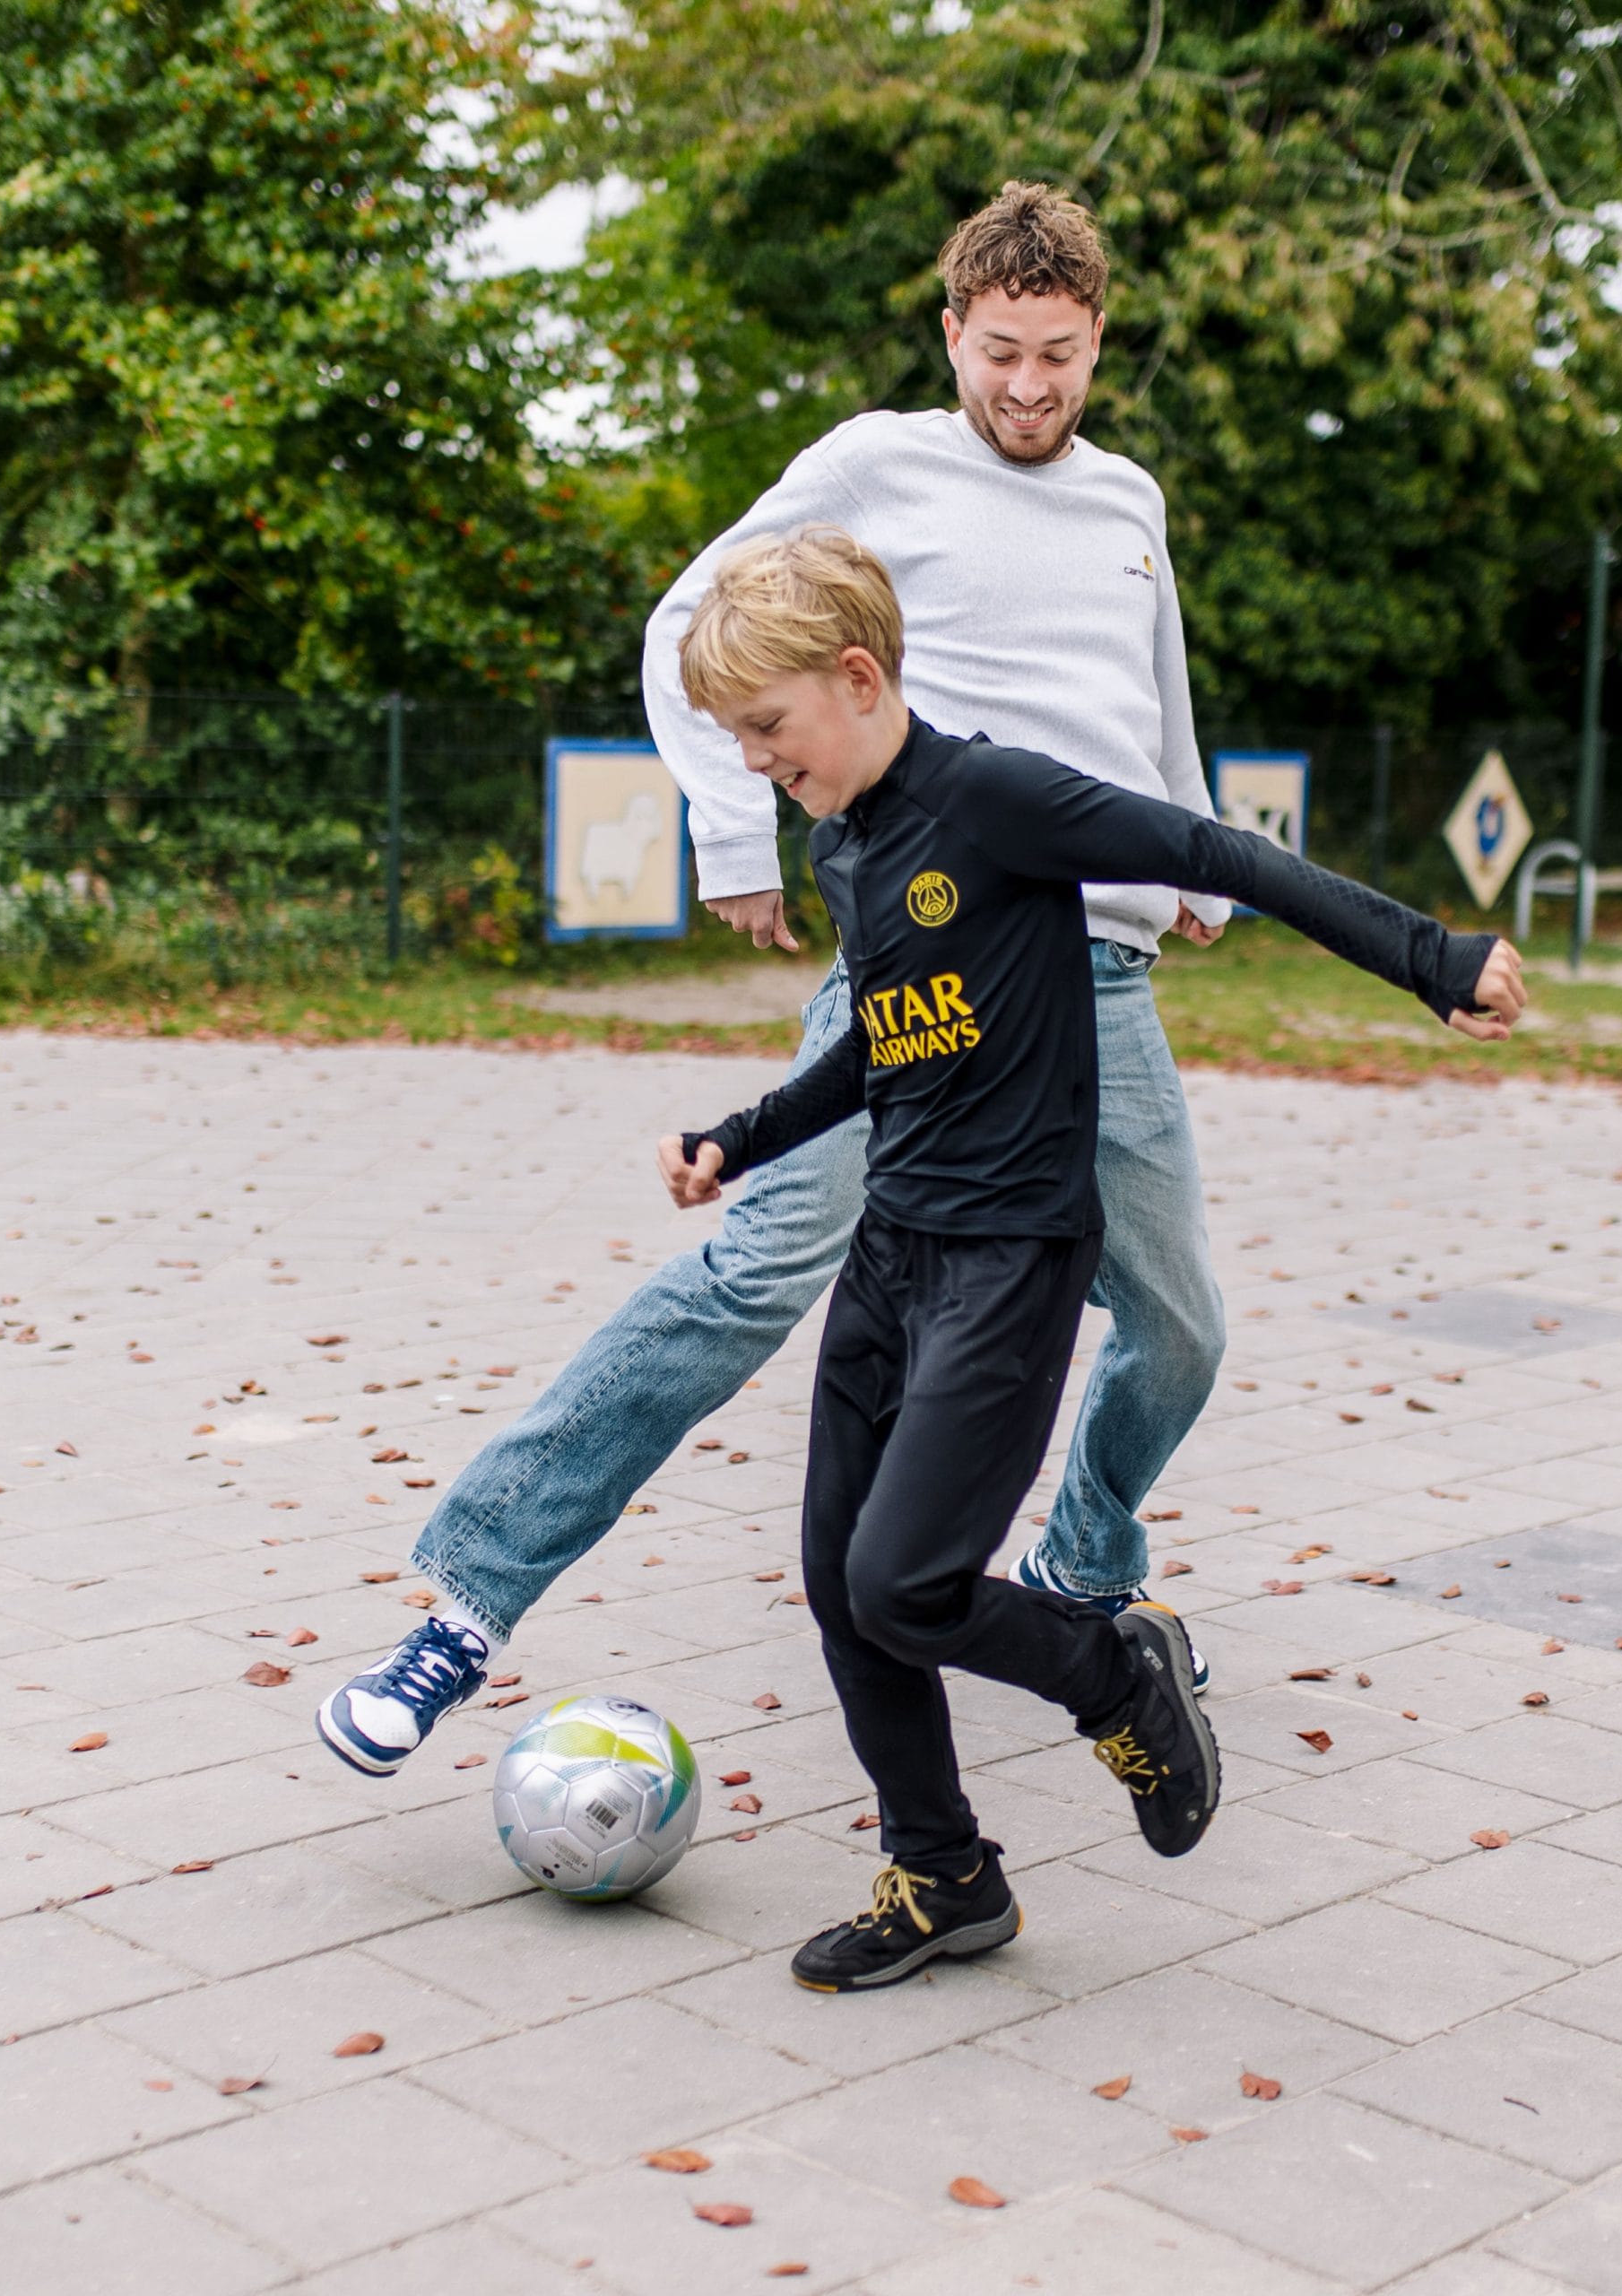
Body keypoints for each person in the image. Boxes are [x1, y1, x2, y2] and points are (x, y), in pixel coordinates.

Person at [319, 182, 1247, 1778]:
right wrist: (727, 818)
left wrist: (1193, 834)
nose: (1031, 389)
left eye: (1064, 359)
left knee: (1179, 1330)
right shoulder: (874, 465)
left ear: (1102, 340)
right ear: (953, 330)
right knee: (756, 1274)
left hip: (1099, 975)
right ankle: (467, 1602)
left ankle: (1090, 1563)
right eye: (1004, 353)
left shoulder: (1130, 503)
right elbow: (694, 617)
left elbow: (1152, 688)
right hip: (922, 972)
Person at [656, 527, 1525, 1987]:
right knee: (839, 1577)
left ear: (859, 679)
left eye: (765, 728)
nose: (753, 762)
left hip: (1007, 1266)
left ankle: (1112, 1670)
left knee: (908, 1586)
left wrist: (1429, 958)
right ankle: (945, 1880)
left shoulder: (993, 797)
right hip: (895, 1259)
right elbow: (890, 1034)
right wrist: (749, 1133)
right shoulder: (847, 840)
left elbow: (1210, 850)